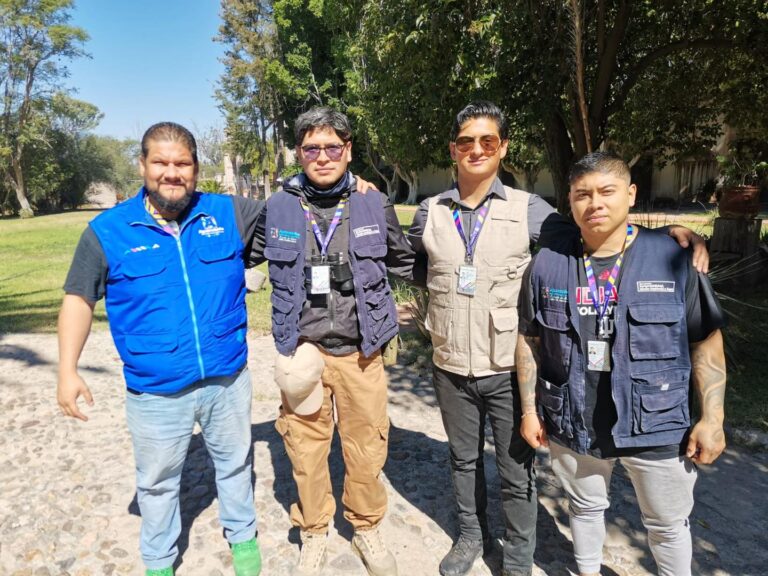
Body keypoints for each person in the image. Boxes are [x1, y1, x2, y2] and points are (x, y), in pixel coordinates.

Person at [406, 102, 710, 576]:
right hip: (450, 363)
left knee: (515, 470)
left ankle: (519, 557)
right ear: (454, 149)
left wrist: (670, 235)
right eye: (467, 141)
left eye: (488, 141)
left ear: (502, 148)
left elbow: (602, 227)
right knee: (462, 461)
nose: (477, 150)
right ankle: (470, 536)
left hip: (506, 363)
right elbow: (416, 267)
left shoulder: (532, 211)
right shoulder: (429, 212)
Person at [57, 122, 264, 576]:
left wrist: (356, 186)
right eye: (161, 162)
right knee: (156, 484)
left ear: (195, 167)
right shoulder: (108, 231)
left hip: (228, 378)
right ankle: (159, 561)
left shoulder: (227, 213)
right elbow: (78, 298)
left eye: (183, 163)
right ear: (143, 165)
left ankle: (244, 538)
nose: (172, 173)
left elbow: (291, 211)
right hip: (155, 394)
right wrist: (67, 370)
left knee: (235, 465)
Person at [516, 151, 727, 576]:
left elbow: (705, 340)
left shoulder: (672, 258)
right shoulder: (547, 264)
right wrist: (528, 409)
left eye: (607, 191)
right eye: (582, 194)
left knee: (667, 524)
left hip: (657, 422)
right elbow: (529, 339)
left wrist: (714, 418)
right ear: (569, 202)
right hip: (573, 417)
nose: (595, 203)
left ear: (630, 194)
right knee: (584, 507)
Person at [249, 107, 414, 576]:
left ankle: (365, 527)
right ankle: (314, 532)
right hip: (303, 351)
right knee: (306, 449)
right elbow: (239, 256)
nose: (322, 156)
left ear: (348, 151)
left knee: (365, 446)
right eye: (312, 148)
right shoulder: (278, 206)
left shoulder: (373, 201)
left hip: (362, 351)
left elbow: (404, 261)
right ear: (299, 153)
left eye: (332, 147)